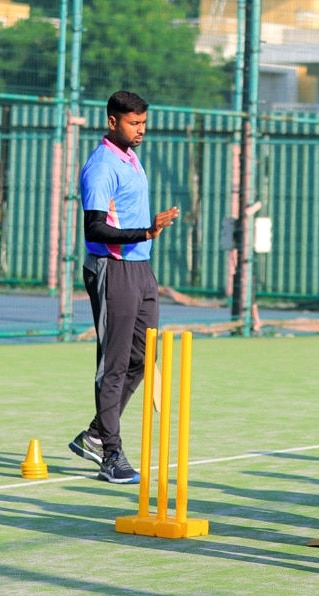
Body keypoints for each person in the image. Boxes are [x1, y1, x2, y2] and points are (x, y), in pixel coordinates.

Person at [68, 90, 179, 485]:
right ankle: (110, 454)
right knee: (112, 365)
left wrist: (148, 236)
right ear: (112, 121)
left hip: (141, 268)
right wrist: (147, 230)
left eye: (144, 124)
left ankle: (96, 434)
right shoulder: (100, 166)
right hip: (111, 269)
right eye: (134, 124)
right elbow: (94, 227)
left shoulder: (130, 157)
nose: (141, 131)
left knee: (141, 358)